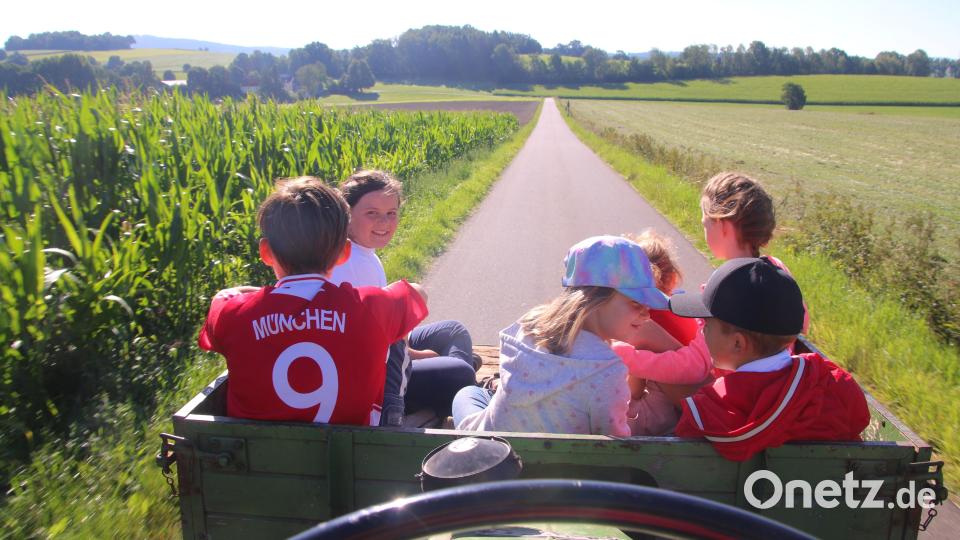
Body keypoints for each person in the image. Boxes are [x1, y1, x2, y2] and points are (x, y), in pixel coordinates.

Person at [198, 177, 428, 426]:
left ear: (265, 253)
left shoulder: (233, 314)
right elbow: (417, 293)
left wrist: (260, 294)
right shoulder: (367, 307)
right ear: (344, 252)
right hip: (353, 451)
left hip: (261, 459)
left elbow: (221, 298)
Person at [451, 235, 670, 436]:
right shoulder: (608, 370)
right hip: (555, 465)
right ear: (594, 300)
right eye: (636, 303)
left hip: (491, 447)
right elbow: (612, 444)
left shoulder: (527, 325)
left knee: (468, 393)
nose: (646, 313)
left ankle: (493, 389)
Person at [614, 172, 808, 394]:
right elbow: (802, 323)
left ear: (723, 226)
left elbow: (693, 365)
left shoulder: (730, 288)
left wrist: (622, 356)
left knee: (644, 332)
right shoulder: (777, 271)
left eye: (705, 223)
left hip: (734, 400)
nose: (703, 228)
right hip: (771, 387)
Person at [670, 257, 869, 461]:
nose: (701, 330)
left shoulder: (708, 411)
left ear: (738, 343)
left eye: (706, 324)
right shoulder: (833, 385)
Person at [330, 170, 478, 426]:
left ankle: (447, 376)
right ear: (347, 213)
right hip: (376, 374)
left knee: (453, 330)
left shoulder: (363, 253)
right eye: (372, 213)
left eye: (391, 213)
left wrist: (416, 353)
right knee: (461, 373)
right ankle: (446, 391)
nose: (384, 223)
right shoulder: (352, 265)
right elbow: (375, 348)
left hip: (389, 348)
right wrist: (419, 356)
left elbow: (386, 331)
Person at [623, 230, 696, 435]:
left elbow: (634, 390)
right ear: (672, 279)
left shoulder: (643, 319)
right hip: (694, 393)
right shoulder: (684, 311)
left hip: (673, 407)